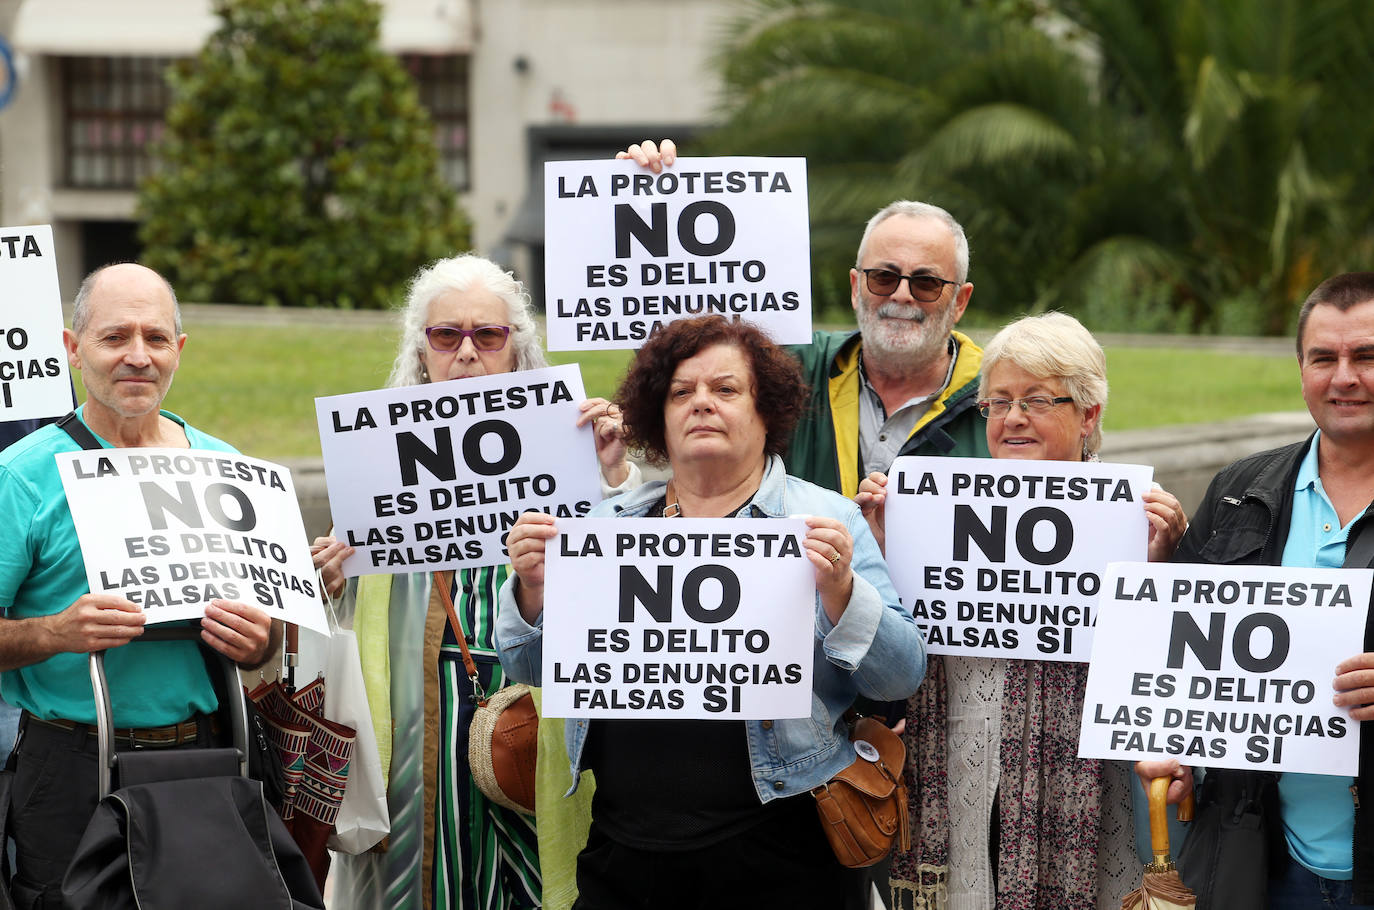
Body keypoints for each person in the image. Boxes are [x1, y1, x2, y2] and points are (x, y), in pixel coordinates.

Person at [495, 314, 926, 908]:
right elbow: (524, 665)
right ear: (657, 417)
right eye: (680, 392)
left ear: (765, 410)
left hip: (783, 853)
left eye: (725, 389)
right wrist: (533, 590)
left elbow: (901, 674)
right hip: (624, 851)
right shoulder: (604, 528)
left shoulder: (826, 520)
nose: (701, 403)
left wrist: (842, 590)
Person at [312, 253, 637, 910]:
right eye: (445, 335)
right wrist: (330, 583)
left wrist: (614, 482)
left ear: (517, 350)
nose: (467, 352)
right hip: (415, 766)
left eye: (487, 335)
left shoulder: (576, 452)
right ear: (421, 350)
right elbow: (341, 635)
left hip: (530, 748)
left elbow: (635, 585)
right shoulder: (375, 464)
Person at [858, 312, 1187, 909]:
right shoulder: (933, 509)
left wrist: (1160, 566)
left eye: (1037, 400)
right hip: (955, 772)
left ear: (1088, 414)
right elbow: (894, 645)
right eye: (998, 402)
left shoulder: (1136, 519)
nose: (1012, 418)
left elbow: (1165, 672)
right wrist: (883, 548)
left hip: (1085, 788)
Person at [0, 263, 281, 907]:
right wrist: (55, 632)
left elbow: (272, 640)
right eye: (114, 337)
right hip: (68, 764)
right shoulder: (22, 477)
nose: (138, 357)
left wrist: (260, 639)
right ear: (72, 350)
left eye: (156, 339)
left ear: (178, 351)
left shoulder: (226, 468)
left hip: (209, 759)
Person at [1138, 272, 1374, 909]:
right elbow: (1178, 659)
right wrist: (1177, 748)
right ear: (1300, 368)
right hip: (1263, 863)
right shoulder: (1240, 491)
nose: (1344, 377)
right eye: (1324, 358)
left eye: (1367, 357)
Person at [617, 139, 989, 499]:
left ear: (960, 301)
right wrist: (655, 193)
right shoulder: (783, 370)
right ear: (856, 286)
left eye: (926, 283)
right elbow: (678, 350)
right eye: (884, 277)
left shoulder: (1003, 401)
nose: (901, 295)